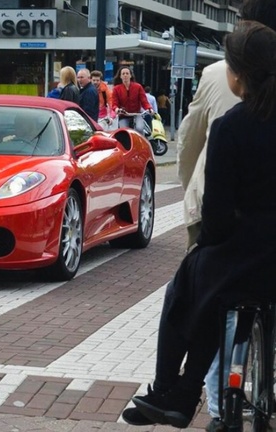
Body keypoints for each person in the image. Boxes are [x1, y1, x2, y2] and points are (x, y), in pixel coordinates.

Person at [122, 20, 276, 429]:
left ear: (238, 73)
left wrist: (208, 244)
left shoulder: (232, 127)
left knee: (189, 287)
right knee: (213, 288)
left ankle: (172, 390)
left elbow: (218, 213)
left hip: (245, 253)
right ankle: (183, 393)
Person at [111, 66, 152, 134]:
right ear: (120, 76)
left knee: (140, 128)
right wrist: (117, 109)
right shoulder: (116, 89)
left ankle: (142, 143)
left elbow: (144, 101)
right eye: (123, 74)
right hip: (124, 115)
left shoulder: (138, 87)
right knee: (124, 131)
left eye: (127, 73)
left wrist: (149, 108)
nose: (125, 75)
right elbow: (114, 104)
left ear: (130, 75)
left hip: (137, 113)